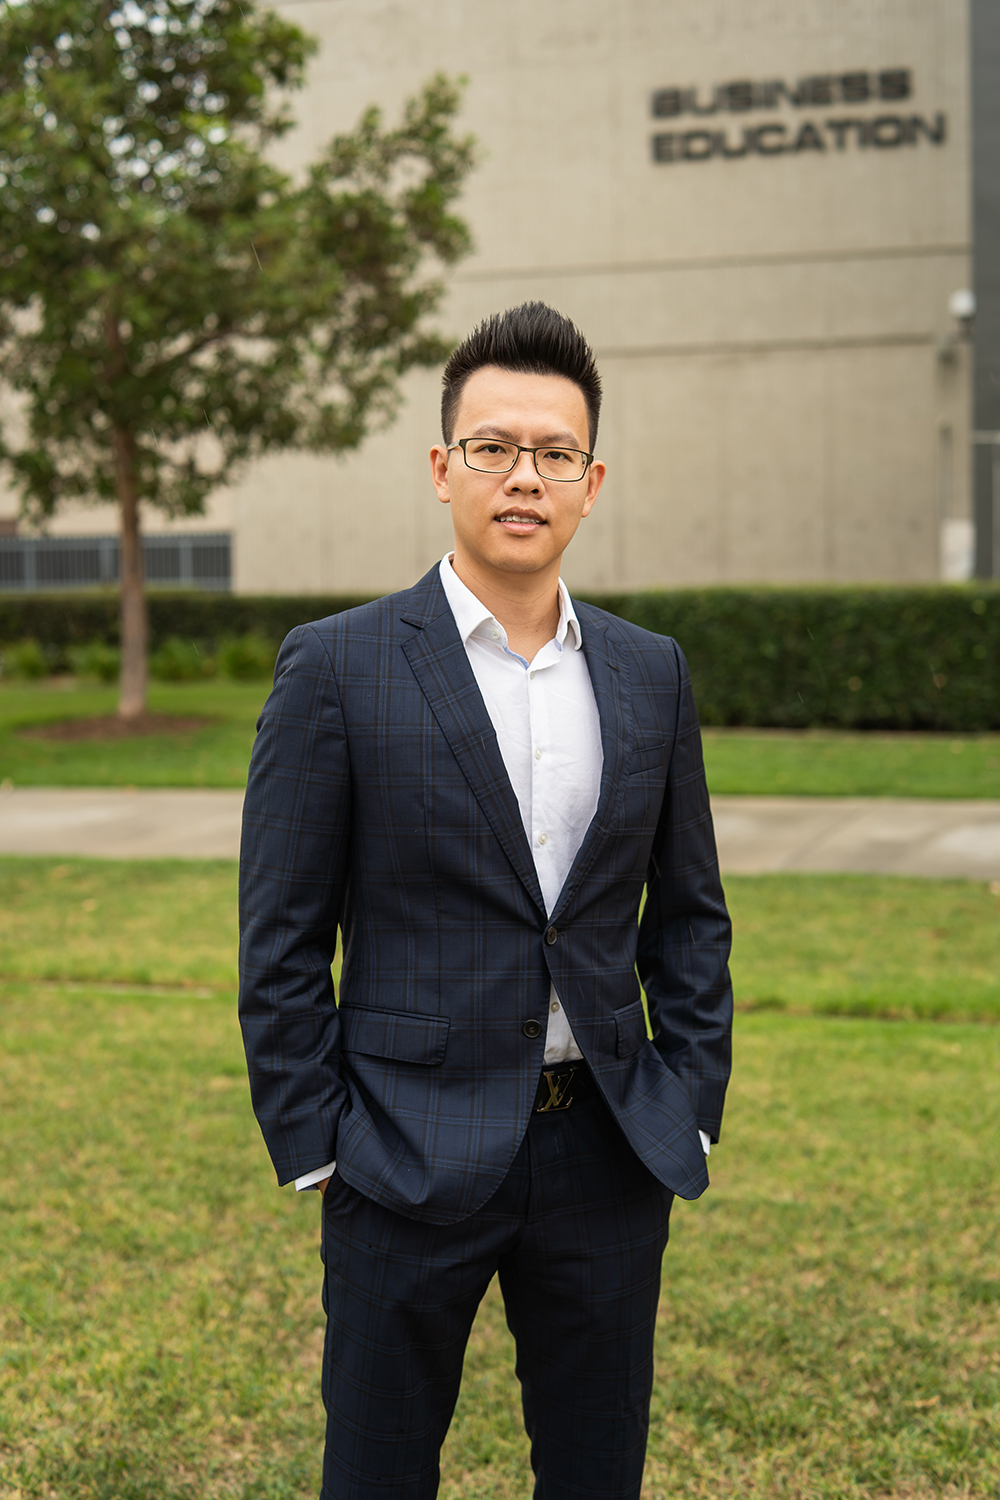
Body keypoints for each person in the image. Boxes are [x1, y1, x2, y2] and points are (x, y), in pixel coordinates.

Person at [238, 301, 733, 1500]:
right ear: (442, 466)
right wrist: (318, 1146)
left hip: (607, 1150)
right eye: (494, 447)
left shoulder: (647, 671)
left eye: (554, 453)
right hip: (400, 1152)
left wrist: (691, 1100)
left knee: (594, 1467)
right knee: (377, 1469)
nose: (525, 476)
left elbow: (689, 915)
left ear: (592, 479)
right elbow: (283, 935)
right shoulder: (338, 665)